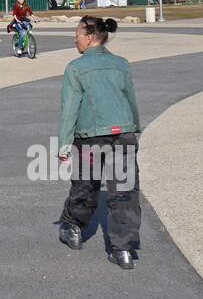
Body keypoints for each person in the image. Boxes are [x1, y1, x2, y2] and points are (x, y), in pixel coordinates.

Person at [55, 16, 143, 270]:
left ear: (90, 37)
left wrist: (63, 145)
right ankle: (123, 250)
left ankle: (73, 228)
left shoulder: (75, 67)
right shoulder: (121, 64)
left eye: (78, 34)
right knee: (125, 191)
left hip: (91, 135)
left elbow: (69, 109)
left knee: (85, 184)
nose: (75, 39)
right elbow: (130, 99)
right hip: (123, 132)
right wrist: (134, 126)